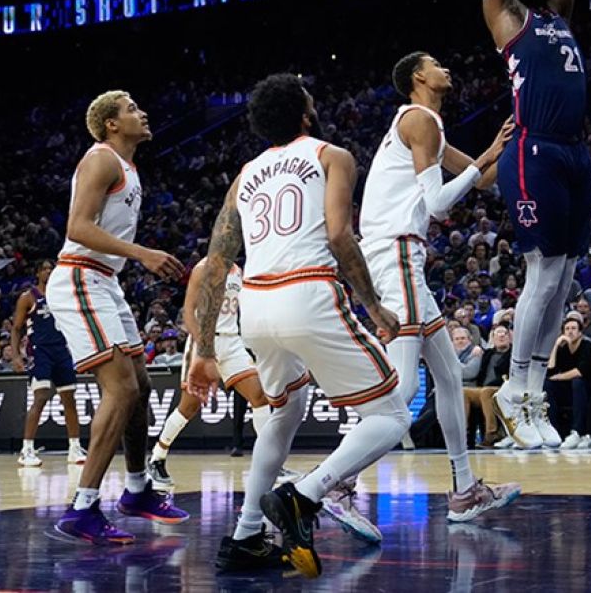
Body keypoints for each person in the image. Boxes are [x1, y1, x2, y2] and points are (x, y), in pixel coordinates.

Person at [186, 75, 458, 579]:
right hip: (307, 291)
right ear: (306, 113)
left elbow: (218, 260)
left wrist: (205, 347)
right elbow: (337, 233)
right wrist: (374, 305)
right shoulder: (333, 155)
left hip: (256, 306)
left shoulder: (246, 173)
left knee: (284, 412)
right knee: (392, 414)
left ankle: (246, 536)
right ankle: (306, 493)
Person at [358, 52, 520, 513]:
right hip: (395, 253)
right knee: (404, 387)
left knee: (448, 375)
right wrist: (488, 153)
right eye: (436, 64)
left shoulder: (429, 128)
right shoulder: (419, 119)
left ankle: (464, 492)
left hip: (401, 257)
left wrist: (513, 145)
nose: (447, 68)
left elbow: (484, 181)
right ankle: (334, 483)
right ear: (417, 77)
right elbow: (440, 204)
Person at [481, 0, 591, 450]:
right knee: (543, 273)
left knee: (566, 273)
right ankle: (518, 389)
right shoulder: (505, 16)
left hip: (575, 154)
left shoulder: (560, 12)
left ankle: (531, 389)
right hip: (532, 151)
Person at [46, 90, 188, 544]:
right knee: (121, 388)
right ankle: (82, 508)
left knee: (141, 388)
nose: (142, 112)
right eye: (131, 109)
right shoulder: (101, 159)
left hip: (105, 280)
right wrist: (141, 252)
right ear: (110, 123)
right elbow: (77, 227)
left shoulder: (128, 167)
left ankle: (137, 490)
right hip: (80, 277)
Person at [147, 258, 269, 489]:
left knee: (259, 396)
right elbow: (188, 314)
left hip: (232, 342)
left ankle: (269, 461)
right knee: (188, 407)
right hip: (204, 344)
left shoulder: (237, 271)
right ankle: (157, 457)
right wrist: (205, 349)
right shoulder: (202, 268)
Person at [11, 260, 87, 467]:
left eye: (51, 268)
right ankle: (26, 449)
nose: (48, 271)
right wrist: (16, 356)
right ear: (37, 272)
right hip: (40, 351)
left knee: (69, 398)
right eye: (44, 268)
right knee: (41, 396)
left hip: (62, 350)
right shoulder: (28, 297)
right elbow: (17, 328)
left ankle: (74, 447)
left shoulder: (63, 296)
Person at [546, 316, 591, 448]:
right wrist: (556, 345)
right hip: (569, 388)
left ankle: (577, 431)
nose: (570, 332)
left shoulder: (588, 345)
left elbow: (580, 371)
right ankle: (552, 431)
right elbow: (550, 371)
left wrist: (559, 377)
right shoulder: (563, 349)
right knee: (547, 385)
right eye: (567, 329)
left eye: (573, 328)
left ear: (580, 331)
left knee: (577, 382)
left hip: (588, 387)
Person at [465, 325, 512, 447]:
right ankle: (464, 434)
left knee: (486, 392)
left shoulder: (513, 355)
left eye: (504, 334)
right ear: (493, 338)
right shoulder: (487, 354)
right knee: (463, 392)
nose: (501, 336)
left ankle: (492, 433)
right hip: (484, 389)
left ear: (509, 337)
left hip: (504, 388)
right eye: (498, 334)